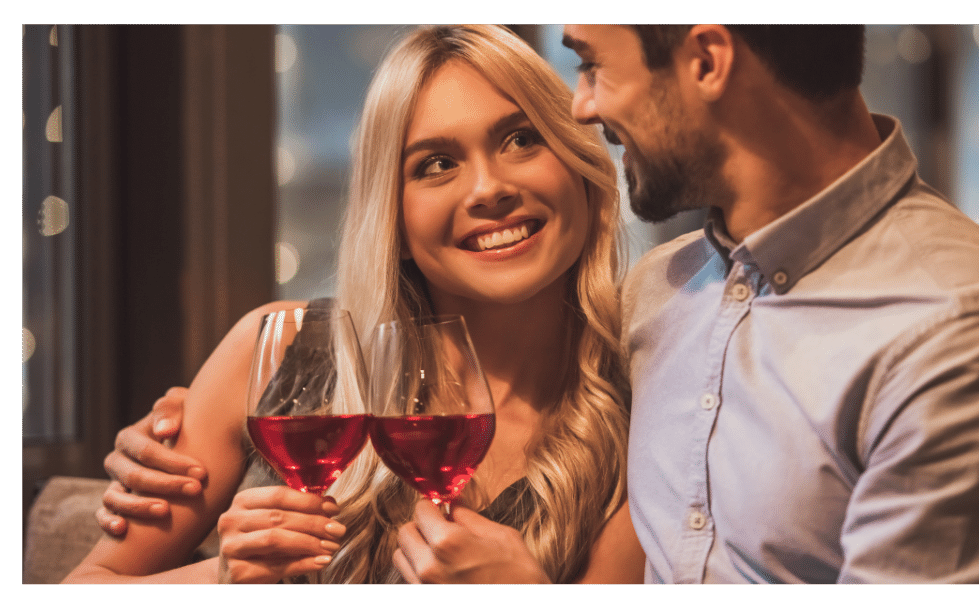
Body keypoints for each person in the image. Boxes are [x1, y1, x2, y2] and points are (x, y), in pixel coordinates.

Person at [62, 24, 644, 584]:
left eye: (521, 139)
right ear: (394, 216)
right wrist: (222, 582)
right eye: (436, 164)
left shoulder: (648, 405)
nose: (488, 189)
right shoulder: (282, 352)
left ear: (578, 165)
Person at [557, 24, 979, 584]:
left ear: (706, 60)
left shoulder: (968, 331)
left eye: (592, 66)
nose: (583, 106)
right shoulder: (655, 290)